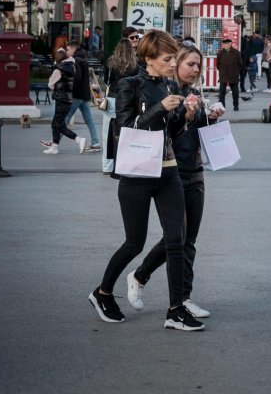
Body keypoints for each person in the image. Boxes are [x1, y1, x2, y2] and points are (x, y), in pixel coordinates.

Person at [89, 29, 204, 331]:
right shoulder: (129, 86)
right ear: (149, 58)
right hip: (137, 173)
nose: (172, 63)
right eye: (167, 59)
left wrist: (187, 116)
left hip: (168, 171)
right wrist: (159, 109)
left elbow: (172, 132)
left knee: (176, 240)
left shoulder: (168, 85)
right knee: (134, 243)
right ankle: (102, 293)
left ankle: (176, 310)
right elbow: (126, 129)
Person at [126, 42, 224, 321]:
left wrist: (211, 117)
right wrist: (183, 112)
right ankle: (142, 277)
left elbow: (197, 132)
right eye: (189, 64)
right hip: (172, 172)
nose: (195, 70)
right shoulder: (167, 94)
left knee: (188, 239)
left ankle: (183, 296)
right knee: (176, 239)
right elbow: (169, 133)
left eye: (198, 65)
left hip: (195, 171)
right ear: (176, 63)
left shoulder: (196, 93)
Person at [102, 38, 138, 174]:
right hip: (127, 100)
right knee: (127, 132)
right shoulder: (135, 64)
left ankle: (107, 166)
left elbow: (106, 79)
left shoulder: (111, 62)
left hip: (111, 98)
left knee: (107, 133)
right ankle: (125, 164)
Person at [43, 48, 87, 155]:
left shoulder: (58, 69)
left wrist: (55, 66)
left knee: (58, 124)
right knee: (57, 123)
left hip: (60, 99)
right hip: (68, 99)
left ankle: (78, 139)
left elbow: (50, 84)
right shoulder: (71, 66)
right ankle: (55, 146)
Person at [61, 40, 99, 152]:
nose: (67, 52)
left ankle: (55, 142)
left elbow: (76, 78)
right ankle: (95, 143)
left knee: (66, 118)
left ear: (73, 49)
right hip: (85, 95)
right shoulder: (83, 60)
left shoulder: (76, 61)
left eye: (68, 49)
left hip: (77, 95)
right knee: (89, 120)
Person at [216, 38, 243, 111]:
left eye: (227, 44)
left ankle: (236, 106)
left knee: (235, 93)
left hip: (233, 75)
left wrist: (236, 72)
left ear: (230, 44)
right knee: (221, 92)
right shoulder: (220, 53)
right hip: (223, 74)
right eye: (224, 44)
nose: (225, 45)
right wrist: (222, 70)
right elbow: (218, 65)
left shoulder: (236, 53)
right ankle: (222, 106)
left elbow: (240, 64)